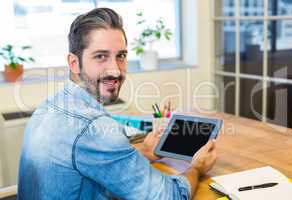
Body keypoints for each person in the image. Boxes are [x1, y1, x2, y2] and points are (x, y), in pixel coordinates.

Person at [17, 8, 217, 200]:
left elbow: (93, 162)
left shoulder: (50, 105)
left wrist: (146, 152)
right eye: (100, 56)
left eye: (120, 56)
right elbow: (170, 196)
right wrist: (196, 167)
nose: (114, 70)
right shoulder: (93, 128)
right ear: (74, 63)